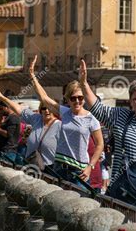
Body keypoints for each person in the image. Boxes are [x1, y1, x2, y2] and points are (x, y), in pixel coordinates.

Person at [80, 60, 136, 212]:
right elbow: (96, 107)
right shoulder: (122, 117)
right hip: (124, 188)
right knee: (121, 230)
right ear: (131, 102)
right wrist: (83, 83)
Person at [30, 56, 103, 186]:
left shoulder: (91, 118)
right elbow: (44, 97)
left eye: (80, 97)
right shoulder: (64, 112)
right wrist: (33, 76)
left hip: (79, 170)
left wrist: (90, 167)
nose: (77, 101)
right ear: (68, 99)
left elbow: (99, 145)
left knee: (79, 204)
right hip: (59, 168)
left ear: (84, 99)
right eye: (73, 98)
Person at [0, 86, 62, 168]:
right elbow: (18, 109)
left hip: (50, 169)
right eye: (44, 108)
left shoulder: (60, 125)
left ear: (54, 110)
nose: (46, 110)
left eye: (49, 108)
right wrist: (2, 98)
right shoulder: (36, 118)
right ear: (40, 109)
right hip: (31, 165)